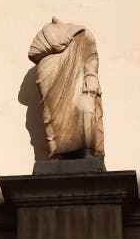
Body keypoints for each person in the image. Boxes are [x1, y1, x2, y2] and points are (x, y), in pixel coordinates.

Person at [28, 17, 104, 160]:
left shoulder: (82, 33)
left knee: (85, 109)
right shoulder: (44, 34)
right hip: (50, 77)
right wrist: (53, 46)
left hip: (79, 78)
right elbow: (33, 52)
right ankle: (57, 153)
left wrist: (91, 75)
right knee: (52, 115)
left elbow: (91, 56)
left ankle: (87, 151)